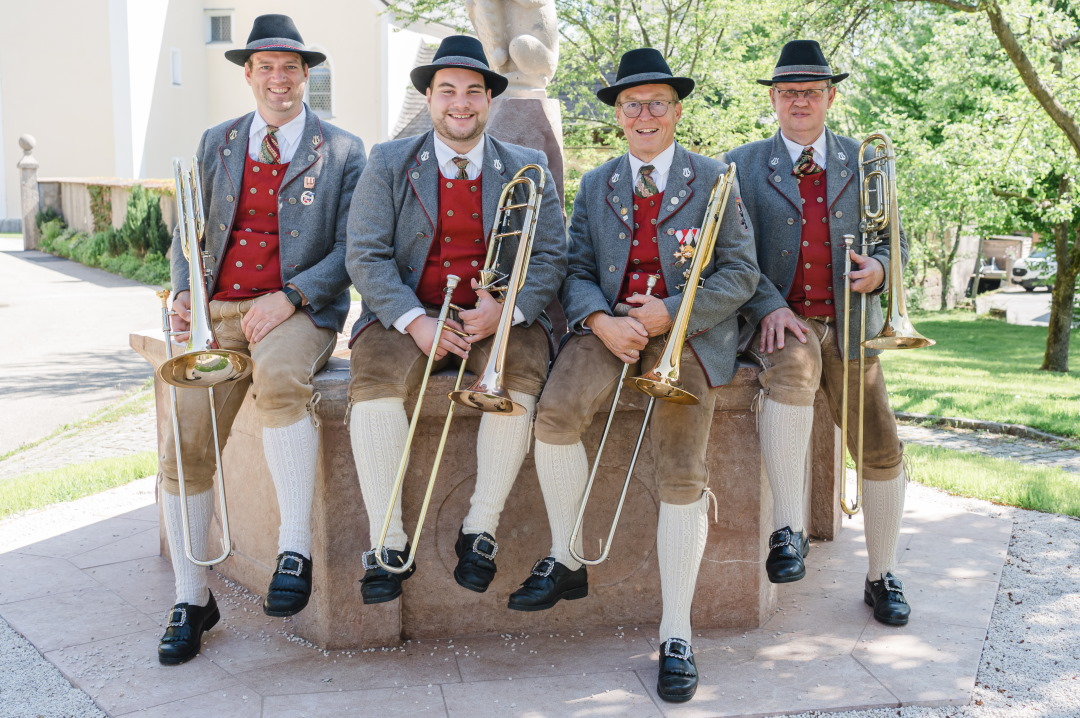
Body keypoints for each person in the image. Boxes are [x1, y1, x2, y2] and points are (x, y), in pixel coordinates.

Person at [508, 48, 758, 703]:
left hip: (687, 335)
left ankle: (677, 634)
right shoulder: (596, 184)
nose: (643, 115)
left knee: (681, 473)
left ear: (675, 112)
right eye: (631, 105)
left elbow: (740, 274)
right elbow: (576, 269)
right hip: (612, 328)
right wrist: (600, 320)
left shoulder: (715, 178)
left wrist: (667, 315)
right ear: (617, 115)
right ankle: (567, 557)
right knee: (555, 415)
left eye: (656, 103)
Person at [157, 14, 366, 665]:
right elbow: (187, 226)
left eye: (290, 68)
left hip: (299, 311)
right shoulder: (215, 142)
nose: (279, 79)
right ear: (248, 75)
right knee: (184, 443)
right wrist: (183, 286)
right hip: (220, 314)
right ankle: (192, 599)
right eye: (266, 68)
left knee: (279, 379)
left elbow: (354, 249)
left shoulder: (345, 150)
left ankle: (294, 550)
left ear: (307, 75)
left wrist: (292, 297)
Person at [344, 36, 566, 605]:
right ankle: (388, 543)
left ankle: (480, 530)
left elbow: (549, 257)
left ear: (490, 101)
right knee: (373, 389)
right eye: (448, 91)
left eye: (474, 91)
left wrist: (508, 310)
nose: (460, 103)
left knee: (517, 380)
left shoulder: (528, 166)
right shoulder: (389, 161)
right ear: (431, 99)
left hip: (499, 318)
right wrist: (415, 321)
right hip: (410, 313)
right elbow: (364, 254)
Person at [724, 39, 912, 627]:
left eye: (810, 91)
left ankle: (882, 574)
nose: (798, 101)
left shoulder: (867, 160)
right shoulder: (743, 164)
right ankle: (789, 532)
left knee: (880, 440)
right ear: (774, 101)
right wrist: (767, 305)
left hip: (855, 325)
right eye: (787, 92)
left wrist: (881, 269)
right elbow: (731, 252)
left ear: (830, 97)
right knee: (793, 372)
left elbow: (897, 242)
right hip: (786, 318)